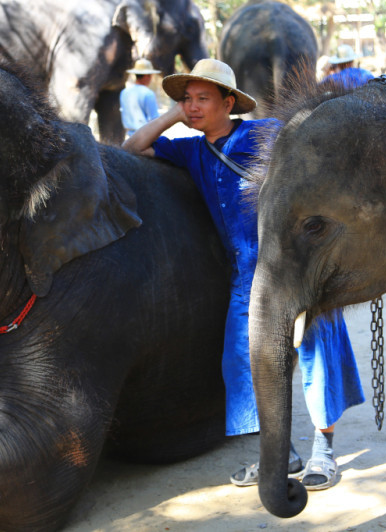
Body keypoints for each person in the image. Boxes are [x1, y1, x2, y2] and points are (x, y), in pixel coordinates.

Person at [123, 58, 364, 490]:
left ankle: (323, 455)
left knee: (315, 353)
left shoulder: (264, 133)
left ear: (229, 102)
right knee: (244, 364)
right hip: (246, 280)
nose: (192, 107)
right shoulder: (191, 150)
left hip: (296, 268)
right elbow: (133, 147)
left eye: (202, 99)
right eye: (186, 99)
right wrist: (175, 115)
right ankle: (278, 457)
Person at [120, 58, 162, 138]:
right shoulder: (148, 94)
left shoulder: (124, 92)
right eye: (150, 75)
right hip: (145, 138)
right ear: (147, 76)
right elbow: (155, 121)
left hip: (130, 138)